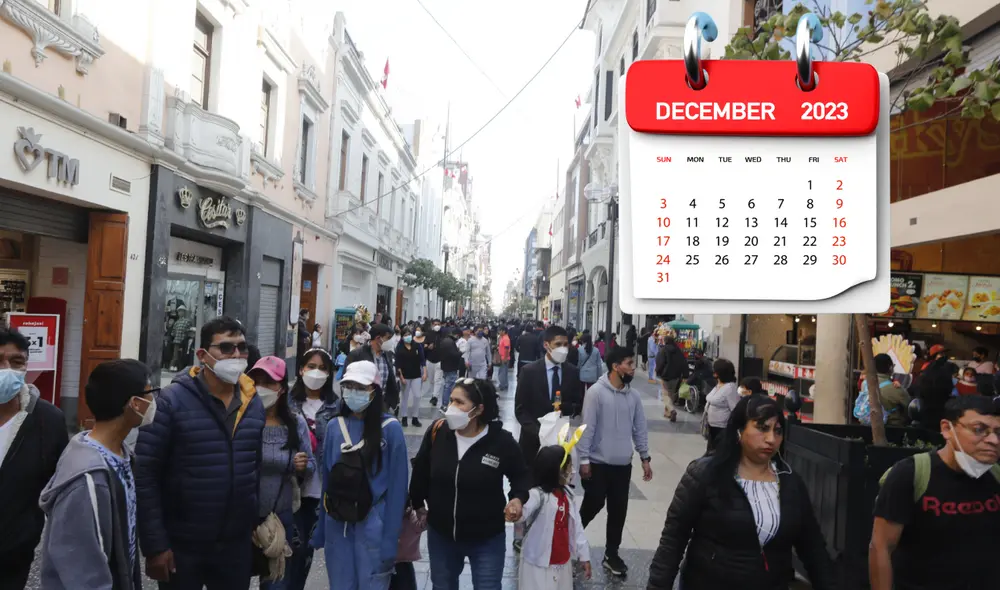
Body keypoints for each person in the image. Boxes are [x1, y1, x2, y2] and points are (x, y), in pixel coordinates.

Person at [648, 395, 836, 590]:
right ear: (739, 431)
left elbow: (813, 549)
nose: (771, 439)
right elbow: (673, 539)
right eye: (762, 428)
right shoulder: (706, 474)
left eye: (778, 431)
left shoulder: (790, 482)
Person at [135, 316, 266, 589]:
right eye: (226, 348)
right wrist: (155, 544)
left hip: (234, 544)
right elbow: (146, 474)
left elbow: (254, 467)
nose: (237, 355)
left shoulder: (253, 403)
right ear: (203, 355)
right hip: (183, 543)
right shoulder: (170, 402)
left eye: (242, 348)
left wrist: (254, 520)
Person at [37, 359, 150, 590]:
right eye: (151, 393)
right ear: (135, 403)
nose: (155, 401)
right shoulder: (87, 479)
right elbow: (82, 569)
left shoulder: (121, 454)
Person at [409, 378, 530, 590]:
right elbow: (421, 471)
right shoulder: (438, 433)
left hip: (487, 538)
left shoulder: (501, 442)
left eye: (459, 402)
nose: (451, 408)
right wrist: (418, 503)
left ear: (478, 409)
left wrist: (517, 499)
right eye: (451, 401)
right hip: (442, 535)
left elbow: (521, 476)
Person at [870, 395, 1000, 590]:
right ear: (947, 429)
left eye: (998, 432)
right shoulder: (910, 474)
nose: (993, 440)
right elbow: (881, 547)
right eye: (979, 430)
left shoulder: (996, 476)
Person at [313, 361, 408, 590]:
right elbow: (327, 479)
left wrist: (390, 539)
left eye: (361, 387)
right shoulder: (335, 426)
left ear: (374, 391)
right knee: (340, 584)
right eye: (349, 386)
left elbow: (398, 489)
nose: (353, 392)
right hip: (338, 524)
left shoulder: (391, 429)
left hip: (374, 525)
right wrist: (322, 528)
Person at [0, 326, 69, 590]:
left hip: (13, 555)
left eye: (16, 362)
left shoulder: (48, 420)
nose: (6, 369)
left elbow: (57, 490)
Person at [576, 345, 652, 577]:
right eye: (629, 364)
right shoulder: (596, 393)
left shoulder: (634, 396)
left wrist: (644, 457)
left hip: (622, 466)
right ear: (615, 366)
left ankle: (612, 554)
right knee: (593, 505)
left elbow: (640, 428)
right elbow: (586, 428)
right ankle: (570, 539)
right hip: (598, 464)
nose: (632, 369)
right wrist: (584, 459)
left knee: (618, 510)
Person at [248, 356, 315, 590]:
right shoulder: (242, 420)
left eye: (268, 382)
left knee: (276, 584)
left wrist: (303, 465)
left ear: (282, 388)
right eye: (255, 381)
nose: (260, 388)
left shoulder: (295, 424)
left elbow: (311, 466)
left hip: (279, 521)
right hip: (241, 520)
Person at [287, 348, 339, 590]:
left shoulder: (337, 407)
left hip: (321, 495)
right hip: (292, 492)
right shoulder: (286, 403)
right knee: (289, 553)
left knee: (306, 552)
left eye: (322, 368)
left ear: (329, 374)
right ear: (300, 369)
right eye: (311, 366)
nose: (316, 372)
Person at [516, 435, 592, 589]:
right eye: (568, 468)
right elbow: (522, 512)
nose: (572, 471)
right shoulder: (538, 495)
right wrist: (515, 510)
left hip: (562, 562)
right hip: (538, 563)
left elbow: (577, 527)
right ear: (553, 471)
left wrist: (584, 556)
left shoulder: (568, 497)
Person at [515, 325, 584, 474]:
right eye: (558, 344)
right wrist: (540, 432)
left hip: (560, 444)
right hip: (532, 443)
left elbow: (578, 404)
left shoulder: (572, 372)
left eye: (566, 345)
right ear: (547, 345)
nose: (563, 349)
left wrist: (565, 408)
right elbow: (520, 410)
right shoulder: (529, 372)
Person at [345, 323, 400, 413]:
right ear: (378, 338)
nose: (390, 341)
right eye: (388, 338)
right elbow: (347, 380)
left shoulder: (387, 355)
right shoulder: (357, 355)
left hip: (382, 404)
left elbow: (391, 380)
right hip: (361, 404)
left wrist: (392, 401)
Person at [704, 359, 740, 452]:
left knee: (717, 452)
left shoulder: (730, 388)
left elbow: (735, 409)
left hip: (722, 428)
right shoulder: (719, 385)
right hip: (712, 426)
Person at [395, 327, 427, 428]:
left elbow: (422, 360)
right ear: (402, 336)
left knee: (417, 396)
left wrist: (425, 373)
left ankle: (415, 418)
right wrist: (401, 377)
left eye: (409, 334)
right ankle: (404, 417)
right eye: (405, 335)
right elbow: (398, 364)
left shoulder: (417, 346)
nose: (407, 337)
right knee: (404, 397)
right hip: (405, 376)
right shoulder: (399, 347)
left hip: (416, 375)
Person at [656, 334, 689, 422]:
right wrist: (685, 375)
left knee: (665, 395)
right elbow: (684, 363)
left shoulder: (663, 350)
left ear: (665, 341)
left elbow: (660, 362)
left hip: (666, 376)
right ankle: (667, 413)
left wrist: (658, 372)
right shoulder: (678, 351)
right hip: (676, 376)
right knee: (671, 394)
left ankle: (672, 411)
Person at [436, 328, 464, 411]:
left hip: (445, 366)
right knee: (448, 386)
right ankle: (445, 405)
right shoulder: (450, 342)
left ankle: (445, 404)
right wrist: (460, 352)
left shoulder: (445, 341)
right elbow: (453, 354)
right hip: (451, 367)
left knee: (447, 385)